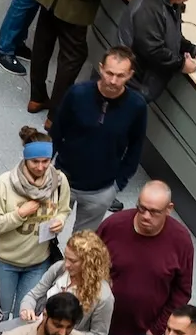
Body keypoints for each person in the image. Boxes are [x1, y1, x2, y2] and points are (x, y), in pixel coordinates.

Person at [94, 181, 194, 335]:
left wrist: (156, 329)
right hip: (101, 323)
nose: (146, 216)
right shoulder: (114, 225)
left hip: (144, 330)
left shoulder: (181, 240)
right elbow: (90, 265)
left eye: (154, 212)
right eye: (142, 208)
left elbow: (182, 291)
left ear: (169, 210)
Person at [28, 0, 139, 119]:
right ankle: (56, 115)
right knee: (73, 57)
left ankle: (36, 98)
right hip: (71, 0)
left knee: (43, 43)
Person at [50, 48, 146, 233]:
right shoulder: (78, 94)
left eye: (120, 75)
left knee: (82, 247)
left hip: (101, 190)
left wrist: (117, 185)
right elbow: (56, 132)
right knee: (45, 233)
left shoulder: (136, 106)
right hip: (62, 181)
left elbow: (136, 147)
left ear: (130, 75)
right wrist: (47, 169)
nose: (113, 80)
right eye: (109, 73)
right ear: (101, 68)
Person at [0, 131, 70, 335]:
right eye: (35, 161)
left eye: (46, 161)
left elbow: (64, 209)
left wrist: (60, 220)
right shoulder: (5, 183)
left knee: (25, 317)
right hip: (5, 262)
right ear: (25, 158)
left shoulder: (59, 182)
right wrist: (19, 214)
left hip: (37, 262)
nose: (42, 167)